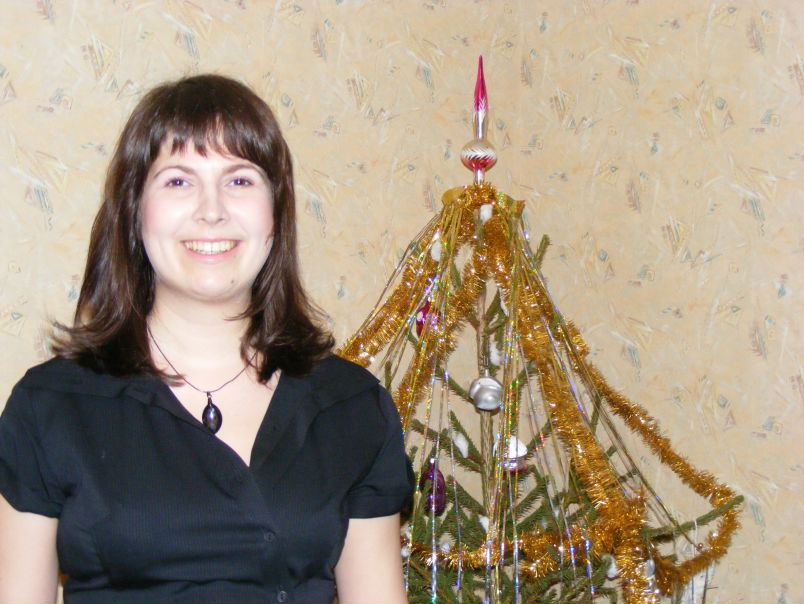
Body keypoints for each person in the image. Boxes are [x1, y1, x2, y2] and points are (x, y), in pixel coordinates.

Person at [0, 74, 413, 604]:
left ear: (276, 211)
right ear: (134, 209)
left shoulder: (351, 406)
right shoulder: (50, 406)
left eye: (240, 180)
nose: (212, 210)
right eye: (178, 181)